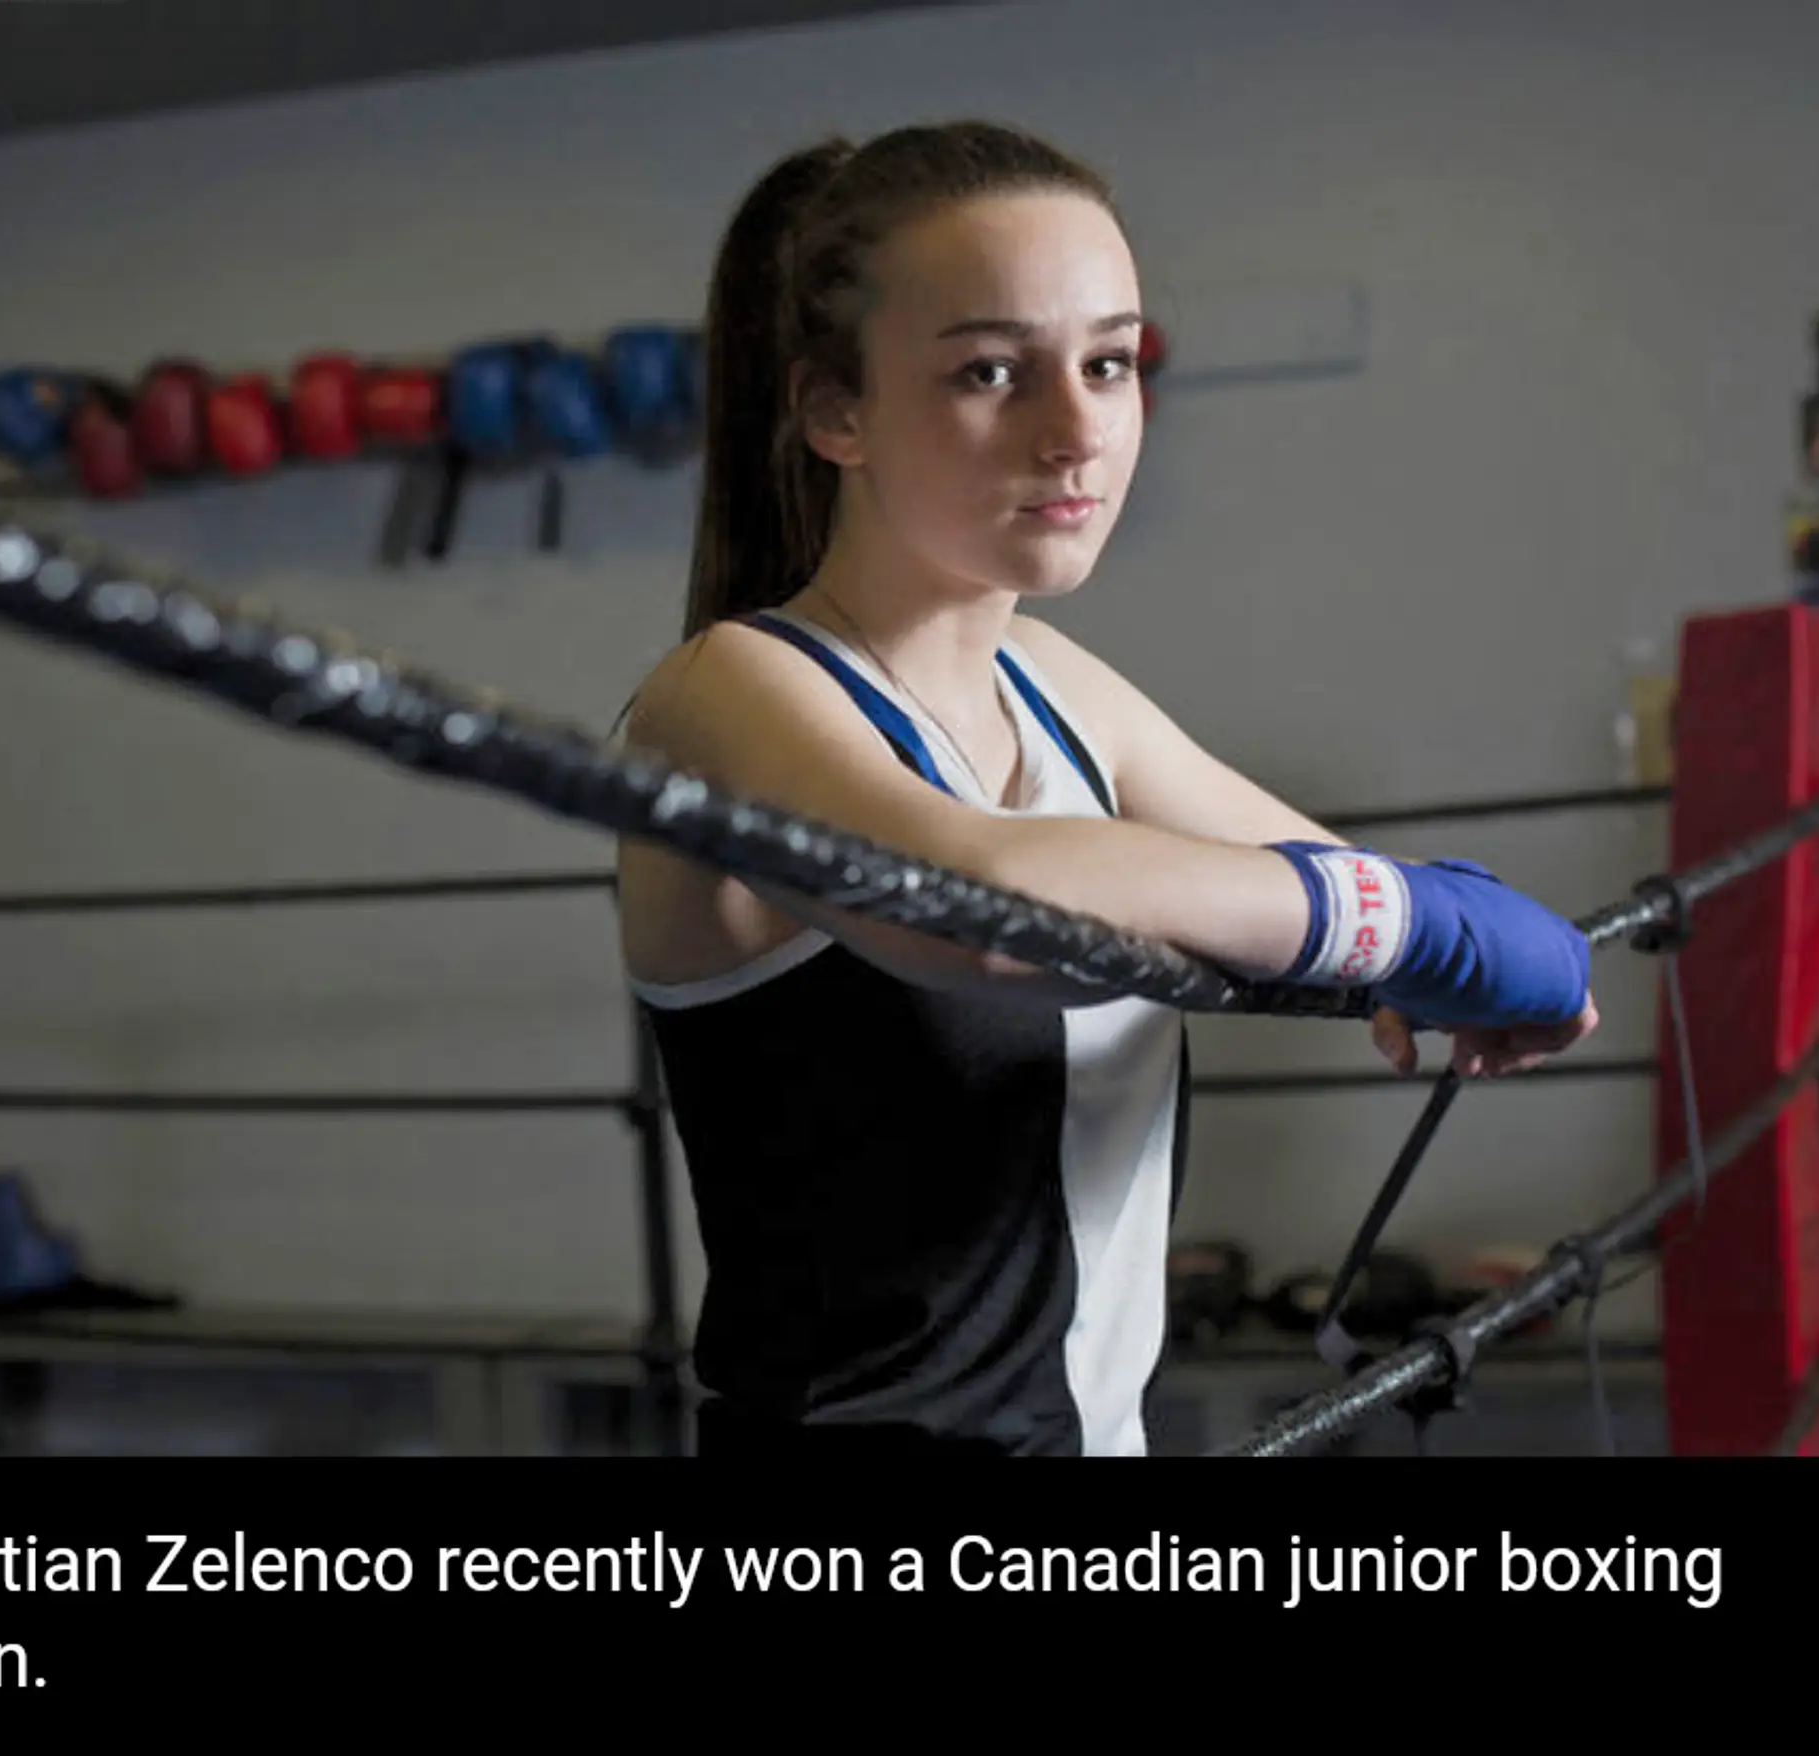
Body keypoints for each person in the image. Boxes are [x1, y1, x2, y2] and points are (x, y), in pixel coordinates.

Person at [613, 120, 1599, 1457]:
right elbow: (975, 901)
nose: (1077, 431)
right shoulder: (726, 691)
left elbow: (1339, 886)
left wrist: (1436, 934)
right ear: (836, 410)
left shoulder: (1056, 686)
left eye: (1111, 362)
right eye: (987, 372)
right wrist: (1402, 928)